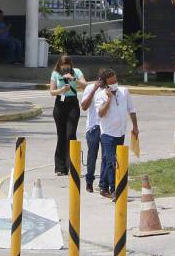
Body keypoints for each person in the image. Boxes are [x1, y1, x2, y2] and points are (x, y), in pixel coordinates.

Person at [93, 69, 139, 198]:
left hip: (120, 133)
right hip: (107, 134)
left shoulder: (124, 92)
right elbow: (101, 113)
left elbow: (131, 109)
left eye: (115, 80)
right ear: (106, 84)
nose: (114, 83)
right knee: (113, 161)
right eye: (111, 81)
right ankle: (115, 190)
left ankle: (103, 186)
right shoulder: (100, 95)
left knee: (109, 161)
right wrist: (108, 99)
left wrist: (135, 126)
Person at [49, 55, 87, 175]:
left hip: (72, 104)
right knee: (61, 135)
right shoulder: (55, 74)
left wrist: (73, 79)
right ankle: (60, 167)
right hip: (60, 103)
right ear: (59, 66)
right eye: (63, 68)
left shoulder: (76, 72)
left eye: (67, 68)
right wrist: (61, 91)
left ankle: (72, 165)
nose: (65, 70)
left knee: (70, 134)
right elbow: (52, 91)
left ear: (71, 65)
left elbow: (85, 86)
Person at [80, 68, 107, 192]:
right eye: (101, 81)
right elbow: (84, 107)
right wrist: (94, 90)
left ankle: (103, 183)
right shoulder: (90, 88)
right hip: (93, 127)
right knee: (92, 154)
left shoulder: (110, 90)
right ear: (98, 79)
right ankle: (89, 180)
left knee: (106, 156)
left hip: (106, 127)